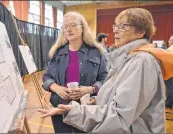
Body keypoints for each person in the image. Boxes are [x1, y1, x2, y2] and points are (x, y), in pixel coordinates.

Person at [39, 8, 173, 133]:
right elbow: (119, 96)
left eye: (123, 26)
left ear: (141, 32)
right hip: (75, 109)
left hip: (89, 114)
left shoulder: (140, 61)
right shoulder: (129, 59)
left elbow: (119, 114)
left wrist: (89, 91)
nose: (115, 30)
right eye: (116, 25)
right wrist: (97, 100)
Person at [42, 12, 108, 133]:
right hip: (59, 108)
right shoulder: (57, 52)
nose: (69, 29)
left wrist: (89, 89)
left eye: (73, 25)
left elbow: (105, 79)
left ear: (83, 27)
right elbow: (46, 77)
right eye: (65, 26)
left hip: (86, 108)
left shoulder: (97, 52)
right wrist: (57, 88)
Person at [165, 35, 173, 109]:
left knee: (169, 88)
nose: (168, 41)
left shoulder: (170, 49)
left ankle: (168, 104)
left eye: (169, 40)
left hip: (169, 72)